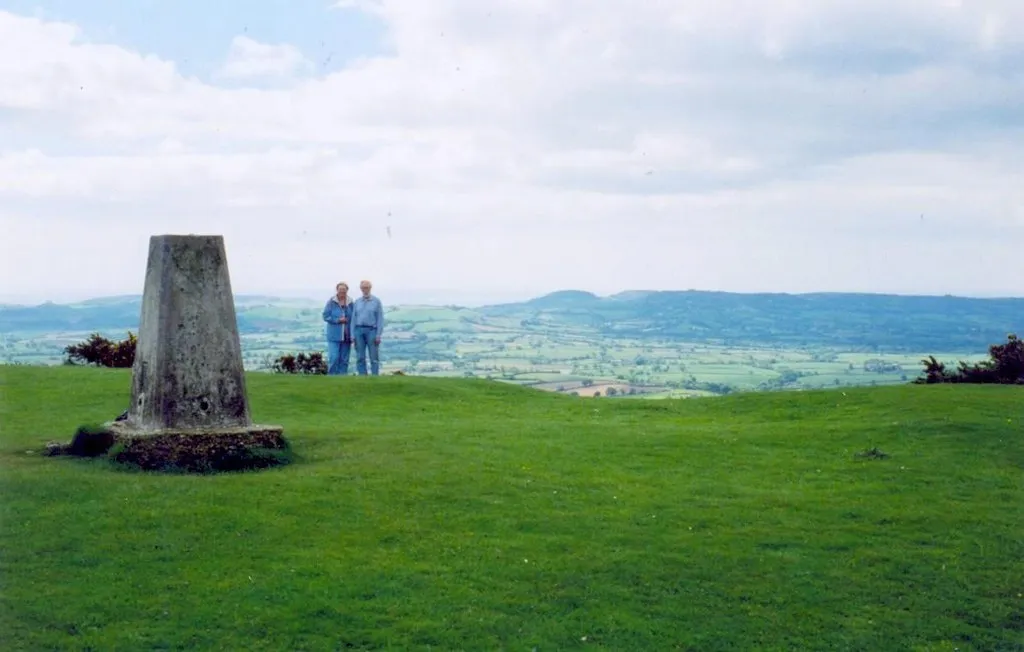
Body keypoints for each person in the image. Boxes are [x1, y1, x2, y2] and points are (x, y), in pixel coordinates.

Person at [351, 279, 384, 375]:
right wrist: (352, 335)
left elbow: (380, 319)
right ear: (361, 289)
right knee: (360, 357)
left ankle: (374, 376)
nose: (365, 289)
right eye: (363, 288)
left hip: (372, 331)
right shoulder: (357, 302)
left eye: (367, 287)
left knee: (374, 356)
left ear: (370, 288)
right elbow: (353, 319)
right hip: (358, 331)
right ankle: (362, 376)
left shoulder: (376, 301)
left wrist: (378, 334)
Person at [321, 282, 352, 375]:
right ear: (337, 290)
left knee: (344, 360)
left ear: (347, 290)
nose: (342, 291)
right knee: (334, 358)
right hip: (334, 336)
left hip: (347, 336)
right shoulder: (331, 302)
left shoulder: (351, 302)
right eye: (340, 289)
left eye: (344, 290)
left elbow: (353, 317)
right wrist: (338, 320)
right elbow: (325, 316)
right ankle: (332, 377)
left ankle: (342, 378)